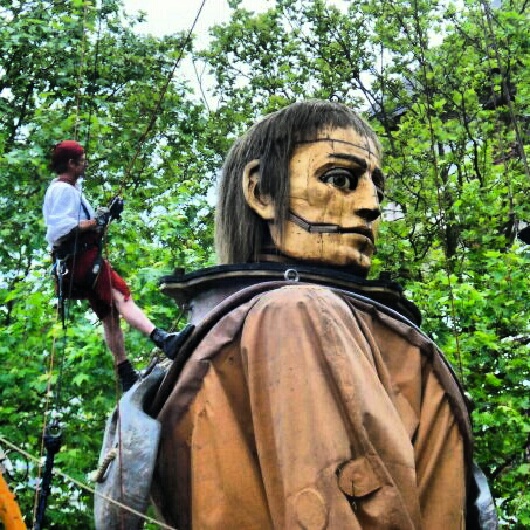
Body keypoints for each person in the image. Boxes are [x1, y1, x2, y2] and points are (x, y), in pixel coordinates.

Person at [143, 101, 496, 528]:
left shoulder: (304, 319)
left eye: (377, 189)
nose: (371, 206)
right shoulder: (296, 313)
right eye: (340, 179)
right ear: (262, 192)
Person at [43, 140, 182, 392]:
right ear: (71, 164)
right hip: (81, 260)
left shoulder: (71, 189)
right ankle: (162, 339)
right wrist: (97, 221)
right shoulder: (62, 191)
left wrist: (106, 217)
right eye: (81, 160)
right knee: (121, 295)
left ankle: (125, 372)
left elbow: (82, 226)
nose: (85, 163)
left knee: (109, 314)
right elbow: (61, 230)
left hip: (80, 261)